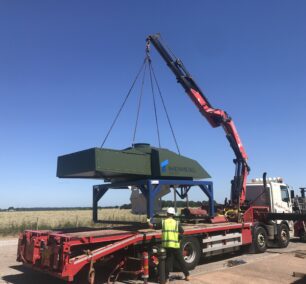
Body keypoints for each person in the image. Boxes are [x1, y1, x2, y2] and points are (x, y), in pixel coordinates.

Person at [149, 207, 190, 282]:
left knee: (167, 262)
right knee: (180, 261)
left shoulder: (164, 222)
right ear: (173, 214)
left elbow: (154, 227)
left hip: (166, 245)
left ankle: (166, 278)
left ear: (167, 214)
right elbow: (182, 232)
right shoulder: (176, 223)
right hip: (175, 245)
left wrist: (149, 222)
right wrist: (179, 238)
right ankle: (187, 275)